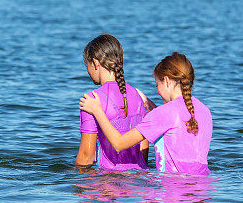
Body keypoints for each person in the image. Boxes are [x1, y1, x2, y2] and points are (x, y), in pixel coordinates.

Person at [79, 52, 212, 175]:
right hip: (204, 190)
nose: (158, 91)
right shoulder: (204, 110)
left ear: (166, 80)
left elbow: (118, 144)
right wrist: (149, 104)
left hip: (174, 191)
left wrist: (97, 110)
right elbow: (176, 126)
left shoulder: (163, 113)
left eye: (156, 85)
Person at [76, 34, 156, 171]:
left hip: (108, 181)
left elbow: (86, 156)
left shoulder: (92, 100)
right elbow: (144, 147)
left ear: (96, 63)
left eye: (87, 65)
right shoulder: (138, 96)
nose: (87, 71)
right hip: (139, 182)